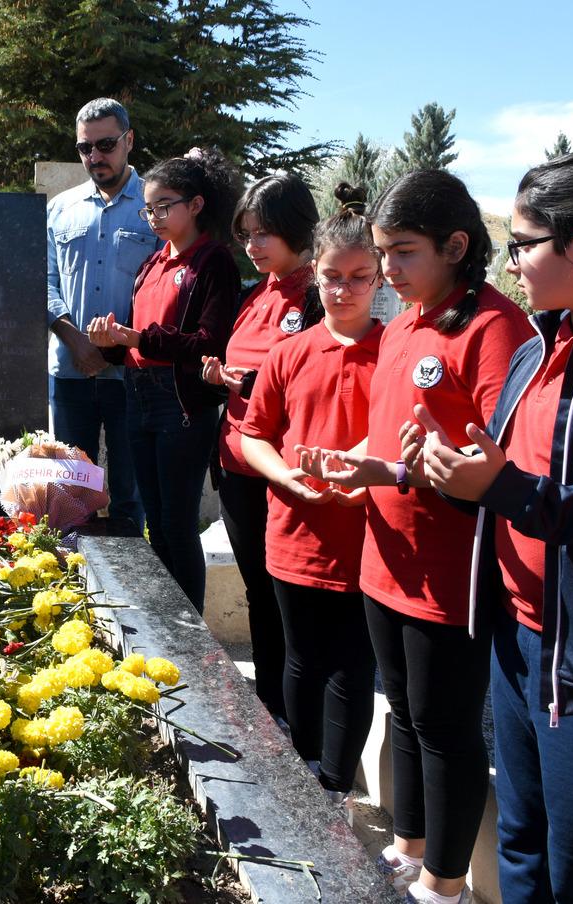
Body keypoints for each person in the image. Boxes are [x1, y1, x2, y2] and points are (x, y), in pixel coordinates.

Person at [298, 170, 533, 904]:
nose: (388, 273)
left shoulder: (498, 329)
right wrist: (366, 468)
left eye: (402, 253)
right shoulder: (402, 325)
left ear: (456, 246)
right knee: (402, 709)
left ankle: (445, 882)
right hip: (384, 558)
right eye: (382, 254)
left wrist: (403, 468)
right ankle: (408, 845)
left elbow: (503, 461)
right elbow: (399, 445)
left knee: (445, 726)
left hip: (447, 569)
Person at [414, 151, 573, 904]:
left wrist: (504, 486)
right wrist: (453, 475)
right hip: (517, 642)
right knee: (521, 847)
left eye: (524, 243)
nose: (514, 263)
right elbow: (509, 483)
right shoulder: (539, 349)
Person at [238, 183, 382, 810]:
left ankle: (335, 785)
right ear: (315, 275)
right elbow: (253, 435)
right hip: (294, 533)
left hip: (367, 541)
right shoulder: (292, 351)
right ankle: (303, 777)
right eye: (331, 276)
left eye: (359, 276)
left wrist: (366, 475)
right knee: (301, 659)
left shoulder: (397, 351)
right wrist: (283, 476)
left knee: (352, 669)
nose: (343, 289)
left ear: (380, 279)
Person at [86, 149, 240, 612]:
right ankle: (166, 622)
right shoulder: (152, 265)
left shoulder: (213, 262)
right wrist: (111, 340)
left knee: (177, 523)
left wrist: (139, 338)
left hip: (181, 405)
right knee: (155, 518)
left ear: (195, 205)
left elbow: (209, 342)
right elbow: (137, 342)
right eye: (148, 208)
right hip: (139, 396)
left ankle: (188, 629)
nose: (153, 217)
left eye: (164, 206)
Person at [201, 171, 321, 721]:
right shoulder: (255, 293)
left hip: (284, 467)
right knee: (256, 591)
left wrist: (251, 382)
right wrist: (220, 376)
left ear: (296, 230)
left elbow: (317, 379)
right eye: (245, 234)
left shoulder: (320, 294)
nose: (251, 247)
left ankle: (299, 711)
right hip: (236, 458)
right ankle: (270, 701)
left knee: (289, 597)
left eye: (263, 234)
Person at [46, 97, 157, 533]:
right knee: (72, 495)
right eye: (84, 148)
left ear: (129, 141)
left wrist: (118, 345)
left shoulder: (154, 209)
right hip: (70, 371)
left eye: (106, 144)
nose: (95, 157)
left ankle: (132, 594)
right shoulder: (60, 208)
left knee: (131, 495)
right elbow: (43, 279)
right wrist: (74, 339)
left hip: (132, 374)